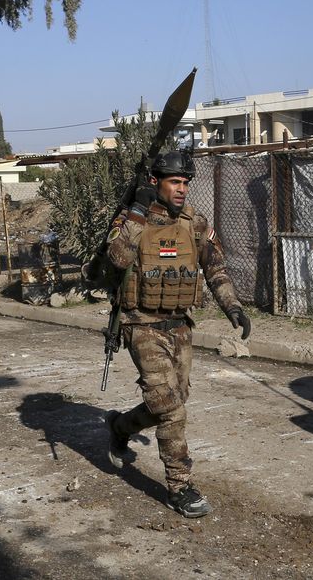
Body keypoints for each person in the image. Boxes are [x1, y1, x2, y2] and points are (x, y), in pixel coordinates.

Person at [103, 151, 251, 519]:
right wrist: (137, 214)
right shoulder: (132, 219)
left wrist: (233, 306)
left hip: (180, 326)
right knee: (170, 409)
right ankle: (180, 487)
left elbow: (215, 267)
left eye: (185, 183)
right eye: (174, 182)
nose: (182, 189)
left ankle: (120, 426)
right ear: (156, 183)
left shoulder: (194, 222)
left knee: (171, 402)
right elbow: (116, 260)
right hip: (140, 325)